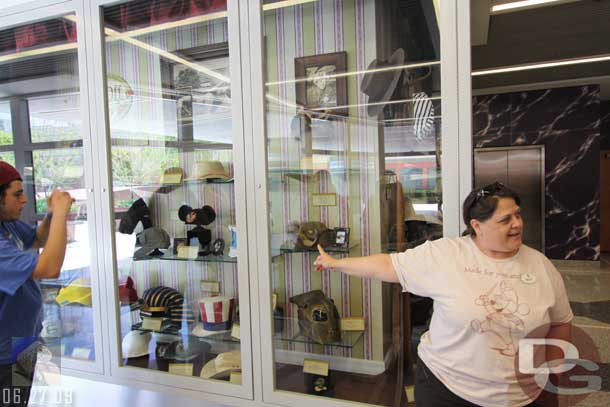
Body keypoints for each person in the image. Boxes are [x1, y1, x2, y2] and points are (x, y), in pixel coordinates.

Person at [314, 182, 573, 407]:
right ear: (477, 226)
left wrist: (552, 372)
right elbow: (386, 265)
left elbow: (561, 322)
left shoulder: (540, 265)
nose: (517, 224)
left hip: (522, 395)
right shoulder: (446, 255)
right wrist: (336, 263)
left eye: (517, 215)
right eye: (505, 219)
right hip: (448, 390)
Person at [0, 161, 73, 406]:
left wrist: (52, 214)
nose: (24, 201)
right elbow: (49, 268)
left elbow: (37, 238)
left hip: (22, 343)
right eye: (17, 194)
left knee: (21, 400)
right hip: (4, 357)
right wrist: (62, 214)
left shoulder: (6, 224)